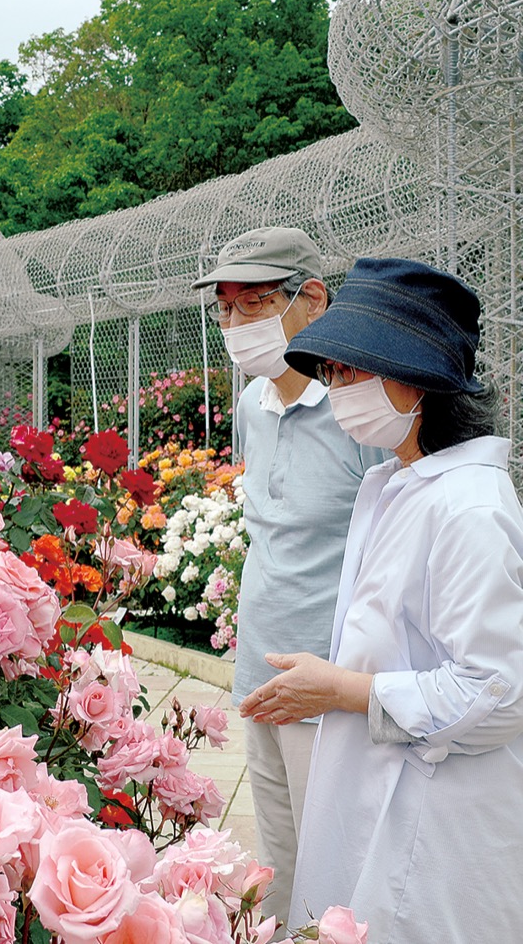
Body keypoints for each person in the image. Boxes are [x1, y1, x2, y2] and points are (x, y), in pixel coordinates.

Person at [239, 256, 523, 941]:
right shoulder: (392, 485)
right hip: (383, 785)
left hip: (438, 823)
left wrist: (345, 690)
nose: (338, 388)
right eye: (332, 371)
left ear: (423, 378)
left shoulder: (470, 509)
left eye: (355, 369)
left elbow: (498, 691)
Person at [192, 227, 386, 927]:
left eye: (253, 305)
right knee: (277, 851)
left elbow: (385, 556)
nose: (236, 324)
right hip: (256, 670)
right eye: (226, 309)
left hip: (323, 679)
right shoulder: (254, 405)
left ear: (310, 300)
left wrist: (352, 679)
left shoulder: (358, 413)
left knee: (333, 854)